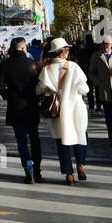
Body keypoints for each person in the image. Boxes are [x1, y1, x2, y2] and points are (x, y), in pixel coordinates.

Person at [36, 37, 90, 184]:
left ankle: (69, 174)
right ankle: (80, 166)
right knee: (80, 135)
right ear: (62, 52)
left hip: (58, 111)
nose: (68, 52)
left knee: (62, 141)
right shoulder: (73, 67)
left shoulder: (46, 69)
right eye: (66, 49)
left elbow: (39, 89)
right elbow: (85, 89)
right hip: (75, 108)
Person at [1, 37, 43, 183]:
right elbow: (40, 86)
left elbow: (0, 87)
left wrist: (9, 96)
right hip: (31, 106)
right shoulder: (32, 64)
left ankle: (28, 170)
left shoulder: (5, 64)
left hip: (15, 107)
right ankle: (37, 169)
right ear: (24, 48)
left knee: (21, 141)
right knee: (34, 138)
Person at [88, 35, 112, 151]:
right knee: (109, 116)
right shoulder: (96, 56)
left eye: (108, 44)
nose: (106, 46)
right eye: (104, 44)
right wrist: (98, 83)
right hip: (104, 89)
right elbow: (91, 73)